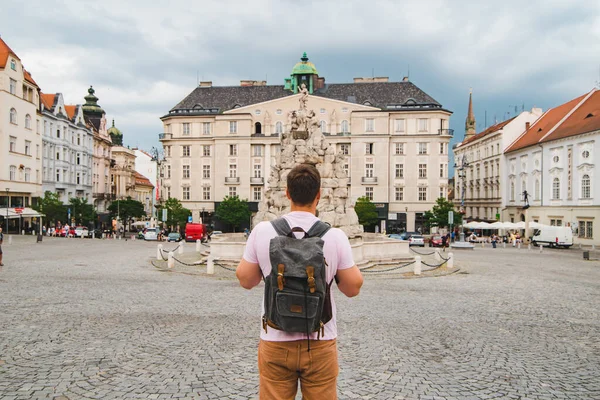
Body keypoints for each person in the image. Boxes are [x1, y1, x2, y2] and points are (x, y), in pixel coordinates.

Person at [236, 164, 364, 399]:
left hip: (275, 339)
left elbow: (246, 280)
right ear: (319, 194)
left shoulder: (263, 231)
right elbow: (353, 288)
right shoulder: (335, 236)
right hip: (320, 340)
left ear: (286, 193)